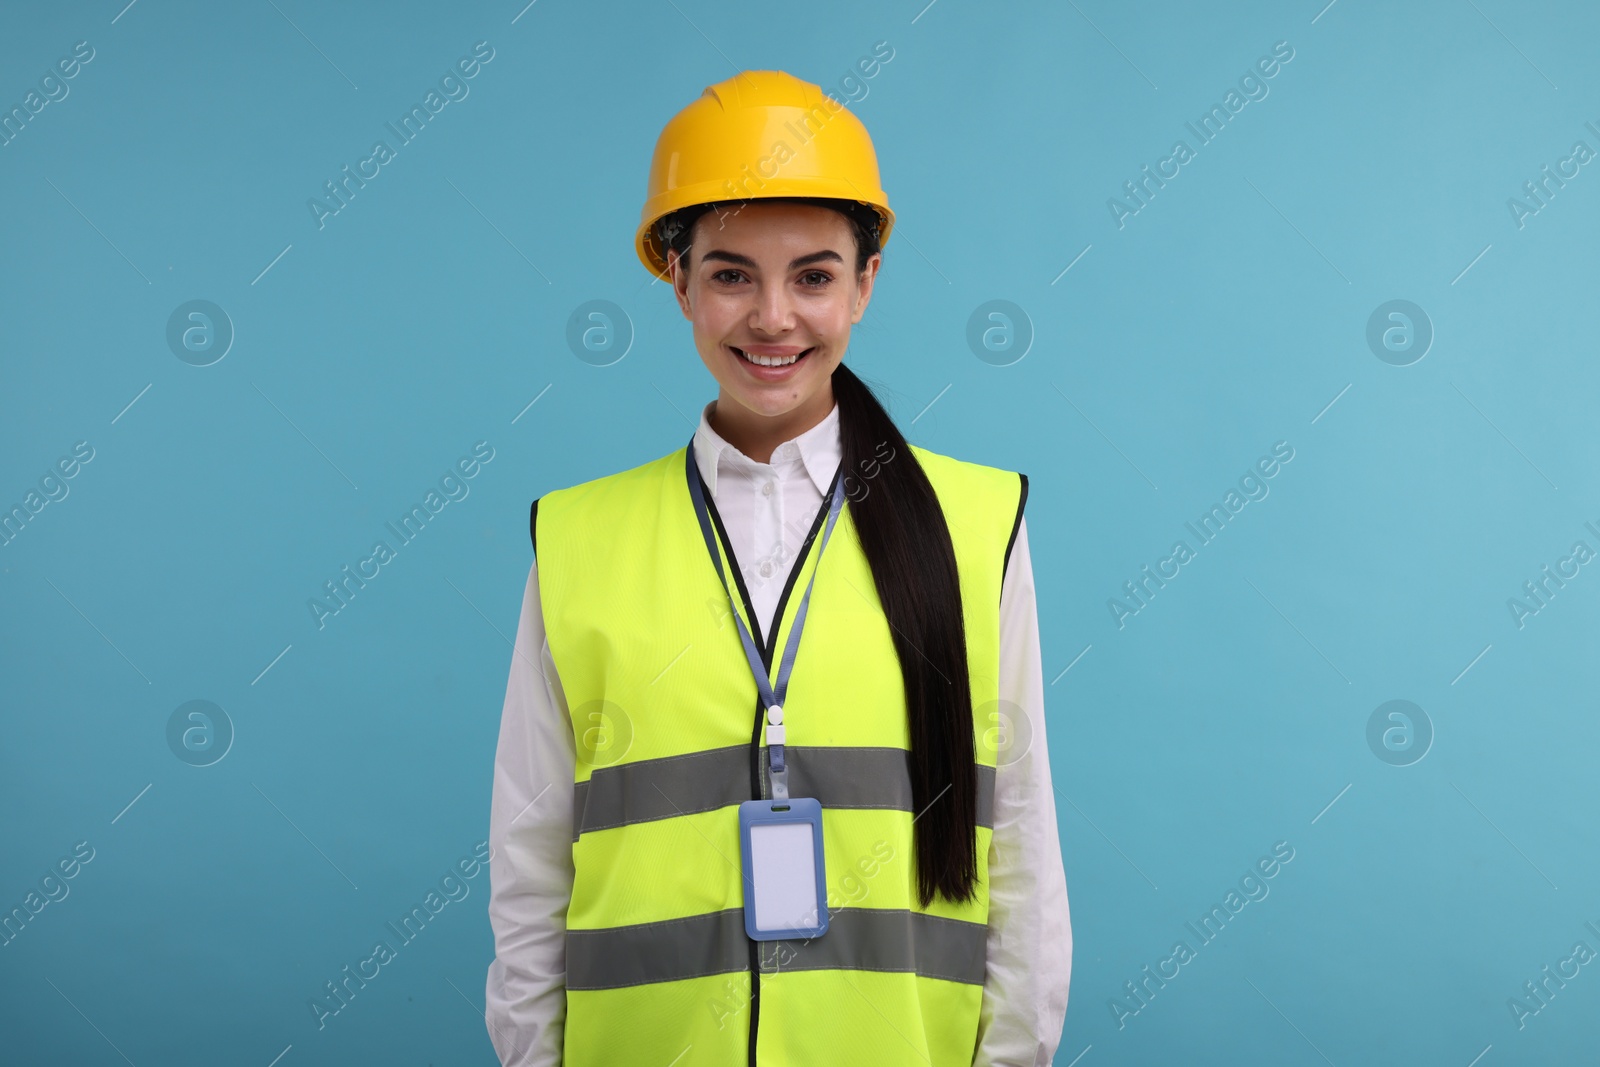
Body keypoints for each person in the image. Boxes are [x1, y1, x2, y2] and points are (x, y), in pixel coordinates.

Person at [484, 69, 1070, 1066]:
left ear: (864, 283)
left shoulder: (977, 526)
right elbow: (530, 861)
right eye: (728, 274)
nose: (771, 317)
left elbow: (1020, 850)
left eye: (811, 274)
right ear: (676, 281)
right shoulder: (578, 539)